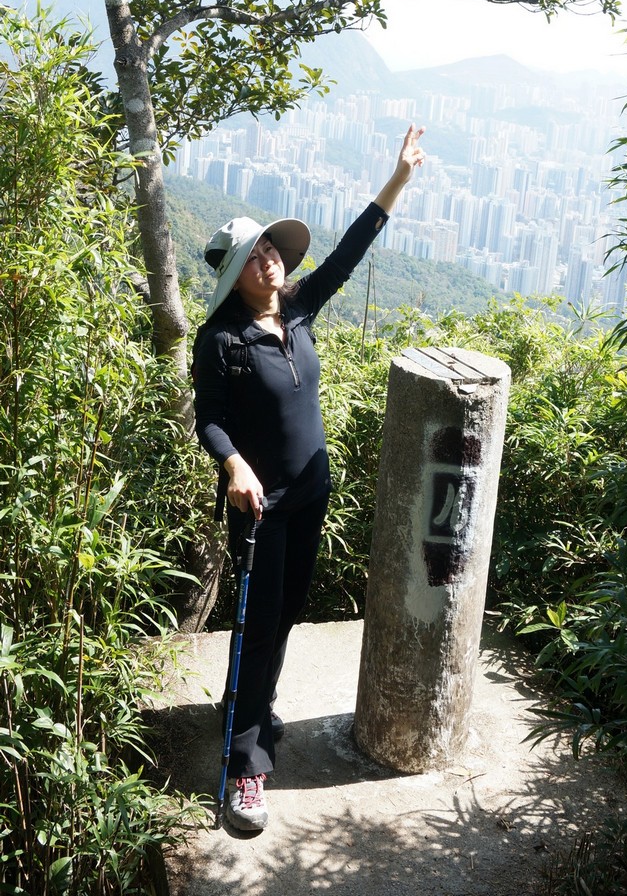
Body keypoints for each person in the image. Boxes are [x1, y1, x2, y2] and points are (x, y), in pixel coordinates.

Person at [193, 123, 425, 832]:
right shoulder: (220, 340)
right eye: (254, 257)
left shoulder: (298, 309)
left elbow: (350, 251)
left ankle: (252, 708)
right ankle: (245, 768)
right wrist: (234, 464)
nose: (268, 261)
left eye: (270, 250)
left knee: (285, 615)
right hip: (261, 507)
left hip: (310, 495)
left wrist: (397, 181)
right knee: (258, 624)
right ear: (235, 276)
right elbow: (210, 420)